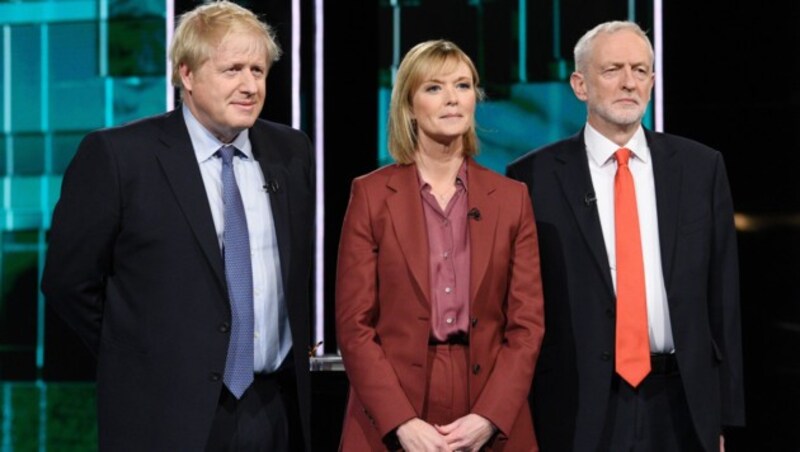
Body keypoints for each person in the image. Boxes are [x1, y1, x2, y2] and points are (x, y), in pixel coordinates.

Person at [41, 2, 314, 450]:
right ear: (187, 75)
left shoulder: (291, 151)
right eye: (232, 70)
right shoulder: (118, 157)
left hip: (272, 410)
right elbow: (68, 283)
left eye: (258, 71)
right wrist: (140, 353)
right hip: (161, 412)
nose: (250, 86)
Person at [506, 20, 745, 451]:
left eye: (640, 70)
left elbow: (722, 299)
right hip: (577, 405)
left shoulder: (700, 168)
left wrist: (724, 416)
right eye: (612, 69)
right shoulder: (531, 178)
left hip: (683, 403)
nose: (629, 82)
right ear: (580, 85)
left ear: (653, 82)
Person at [335, 39, 544, 452]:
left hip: (487, 398)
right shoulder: (371, 195)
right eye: (434, 88)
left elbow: (527, 326)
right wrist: (401, 422)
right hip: (394, 400)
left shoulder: (511, 197)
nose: (452, 99)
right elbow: (354, 326)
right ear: (409, 105)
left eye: (463, 86)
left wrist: (489, 416)